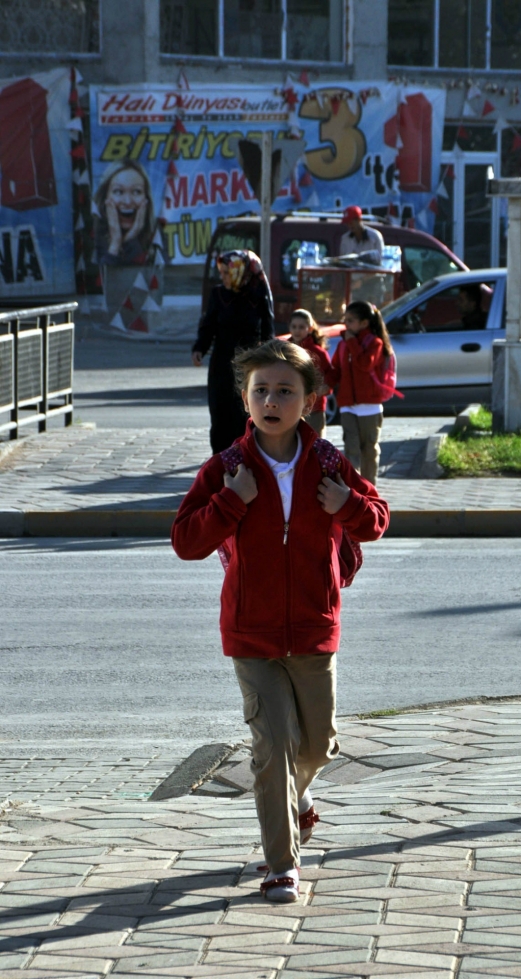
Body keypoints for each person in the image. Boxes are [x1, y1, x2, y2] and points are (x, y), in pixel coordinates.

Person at [171, 339, 389, 904]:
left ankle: (296, 795)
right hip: (252, 633)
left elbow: (376, 521)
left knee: (318, 745)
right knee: (271, 749)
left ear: (311, 401)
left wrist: (345, 502)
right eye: (261, 390)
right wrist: (231, 502)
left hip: (316, 627)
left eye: (285, 391)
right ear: (246, 401)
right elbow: (186, 541)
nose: (272, 400)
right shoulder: (227, 469)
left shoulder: (328, 463)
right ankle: (281, 865)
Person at [192, 250, 274, 454]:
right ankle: (220, 464)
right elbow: (208, 325)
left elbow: (268, 330)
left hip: (250, 365)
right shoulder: (218, 294)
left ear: (241, 272)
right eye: (222, 273)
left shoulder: (258, 294)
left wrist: (270, 359)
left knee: (244, 415)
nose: (223, 277)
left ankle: (246, 461)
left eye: (227, 273)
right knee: (220, 416)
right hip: (222, 363)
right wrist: (199, 348)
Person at [329, 300, 392, 485]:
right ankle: (354, 489)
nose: (346, 324)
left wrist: (352, 343)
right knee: (351, 449)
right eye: (345, 320)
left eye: (351, 321)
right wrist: (325, 385)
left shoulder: (375, 343)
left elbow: (365, 364)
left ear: (364, 323)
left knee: (369, 450)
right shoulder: (343, 345)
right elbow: (336, 370)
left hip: (370, 407)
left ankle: (370, 487)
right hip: (347, 405)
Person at [94, 160, 157, 266]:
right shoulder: (93, 238)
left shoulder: (158, 238)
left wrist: (131, 239)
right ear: (105, 197)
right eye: (118, 191)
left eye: (136, 191)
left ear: (146, 199)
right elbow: (101, 280)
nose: (127, 202)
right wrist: (115, 244)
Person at [287, 308, 333, 437]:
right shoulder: (284, 350)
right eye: (294, 326)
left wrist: (326, 387)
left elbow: (330, 374)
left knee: (315, 445)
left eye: (301, 327)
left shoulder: (318, 352)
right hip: (289, 406)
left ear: (310, 328)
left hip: (314, 408)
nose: (297, 330)